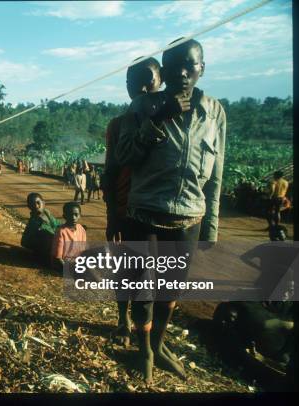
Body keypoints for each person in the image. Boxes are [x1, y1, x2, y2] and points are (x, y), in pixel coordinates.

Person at [115, 38, 226, 383]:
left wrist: (210, 227)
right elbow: (124, 157)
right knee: (144, 291)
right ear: (162, 72)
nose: (181, 73)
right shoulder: (142, 107)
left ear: (201, 68)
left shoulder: (215, 111)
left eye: (189, 65)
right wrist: (159, 119)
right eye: (173, 66)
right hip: (145, 214)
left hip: (189, 217)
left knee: (170, 291)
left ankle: (159, 345)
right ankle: (144, 349)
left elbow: (217, 173)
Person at [103, 56, 163, 345]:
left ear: (161, 81)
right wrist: (112, 214)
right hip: (128, 211)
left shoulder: (172, 123)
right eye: (131, 82)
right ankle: (123, 321)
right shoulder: (118, 125)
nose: (138, 87)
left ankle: (152, 335)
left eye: (147, 80)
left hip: (162, 213)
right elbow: (111, 172)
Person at [21, 193, 61, 264]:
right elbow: (24, 242)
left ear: (43, 203)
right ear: (29, 206)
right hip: (42, 247)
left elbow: (57, 224)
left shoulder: (46, 213)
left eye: (38, 202)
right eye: (32, 204)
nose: (36, 206)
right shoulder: (34, 222)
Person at [51, 202, 86, 272]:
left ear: (80, 215)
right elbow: (58, 258)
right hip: (62, 264)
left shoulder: (81, 229)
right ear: (64, 216)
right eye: (70, 215)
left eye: (76, 215)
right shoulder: (61, 231)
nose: (73, 218)